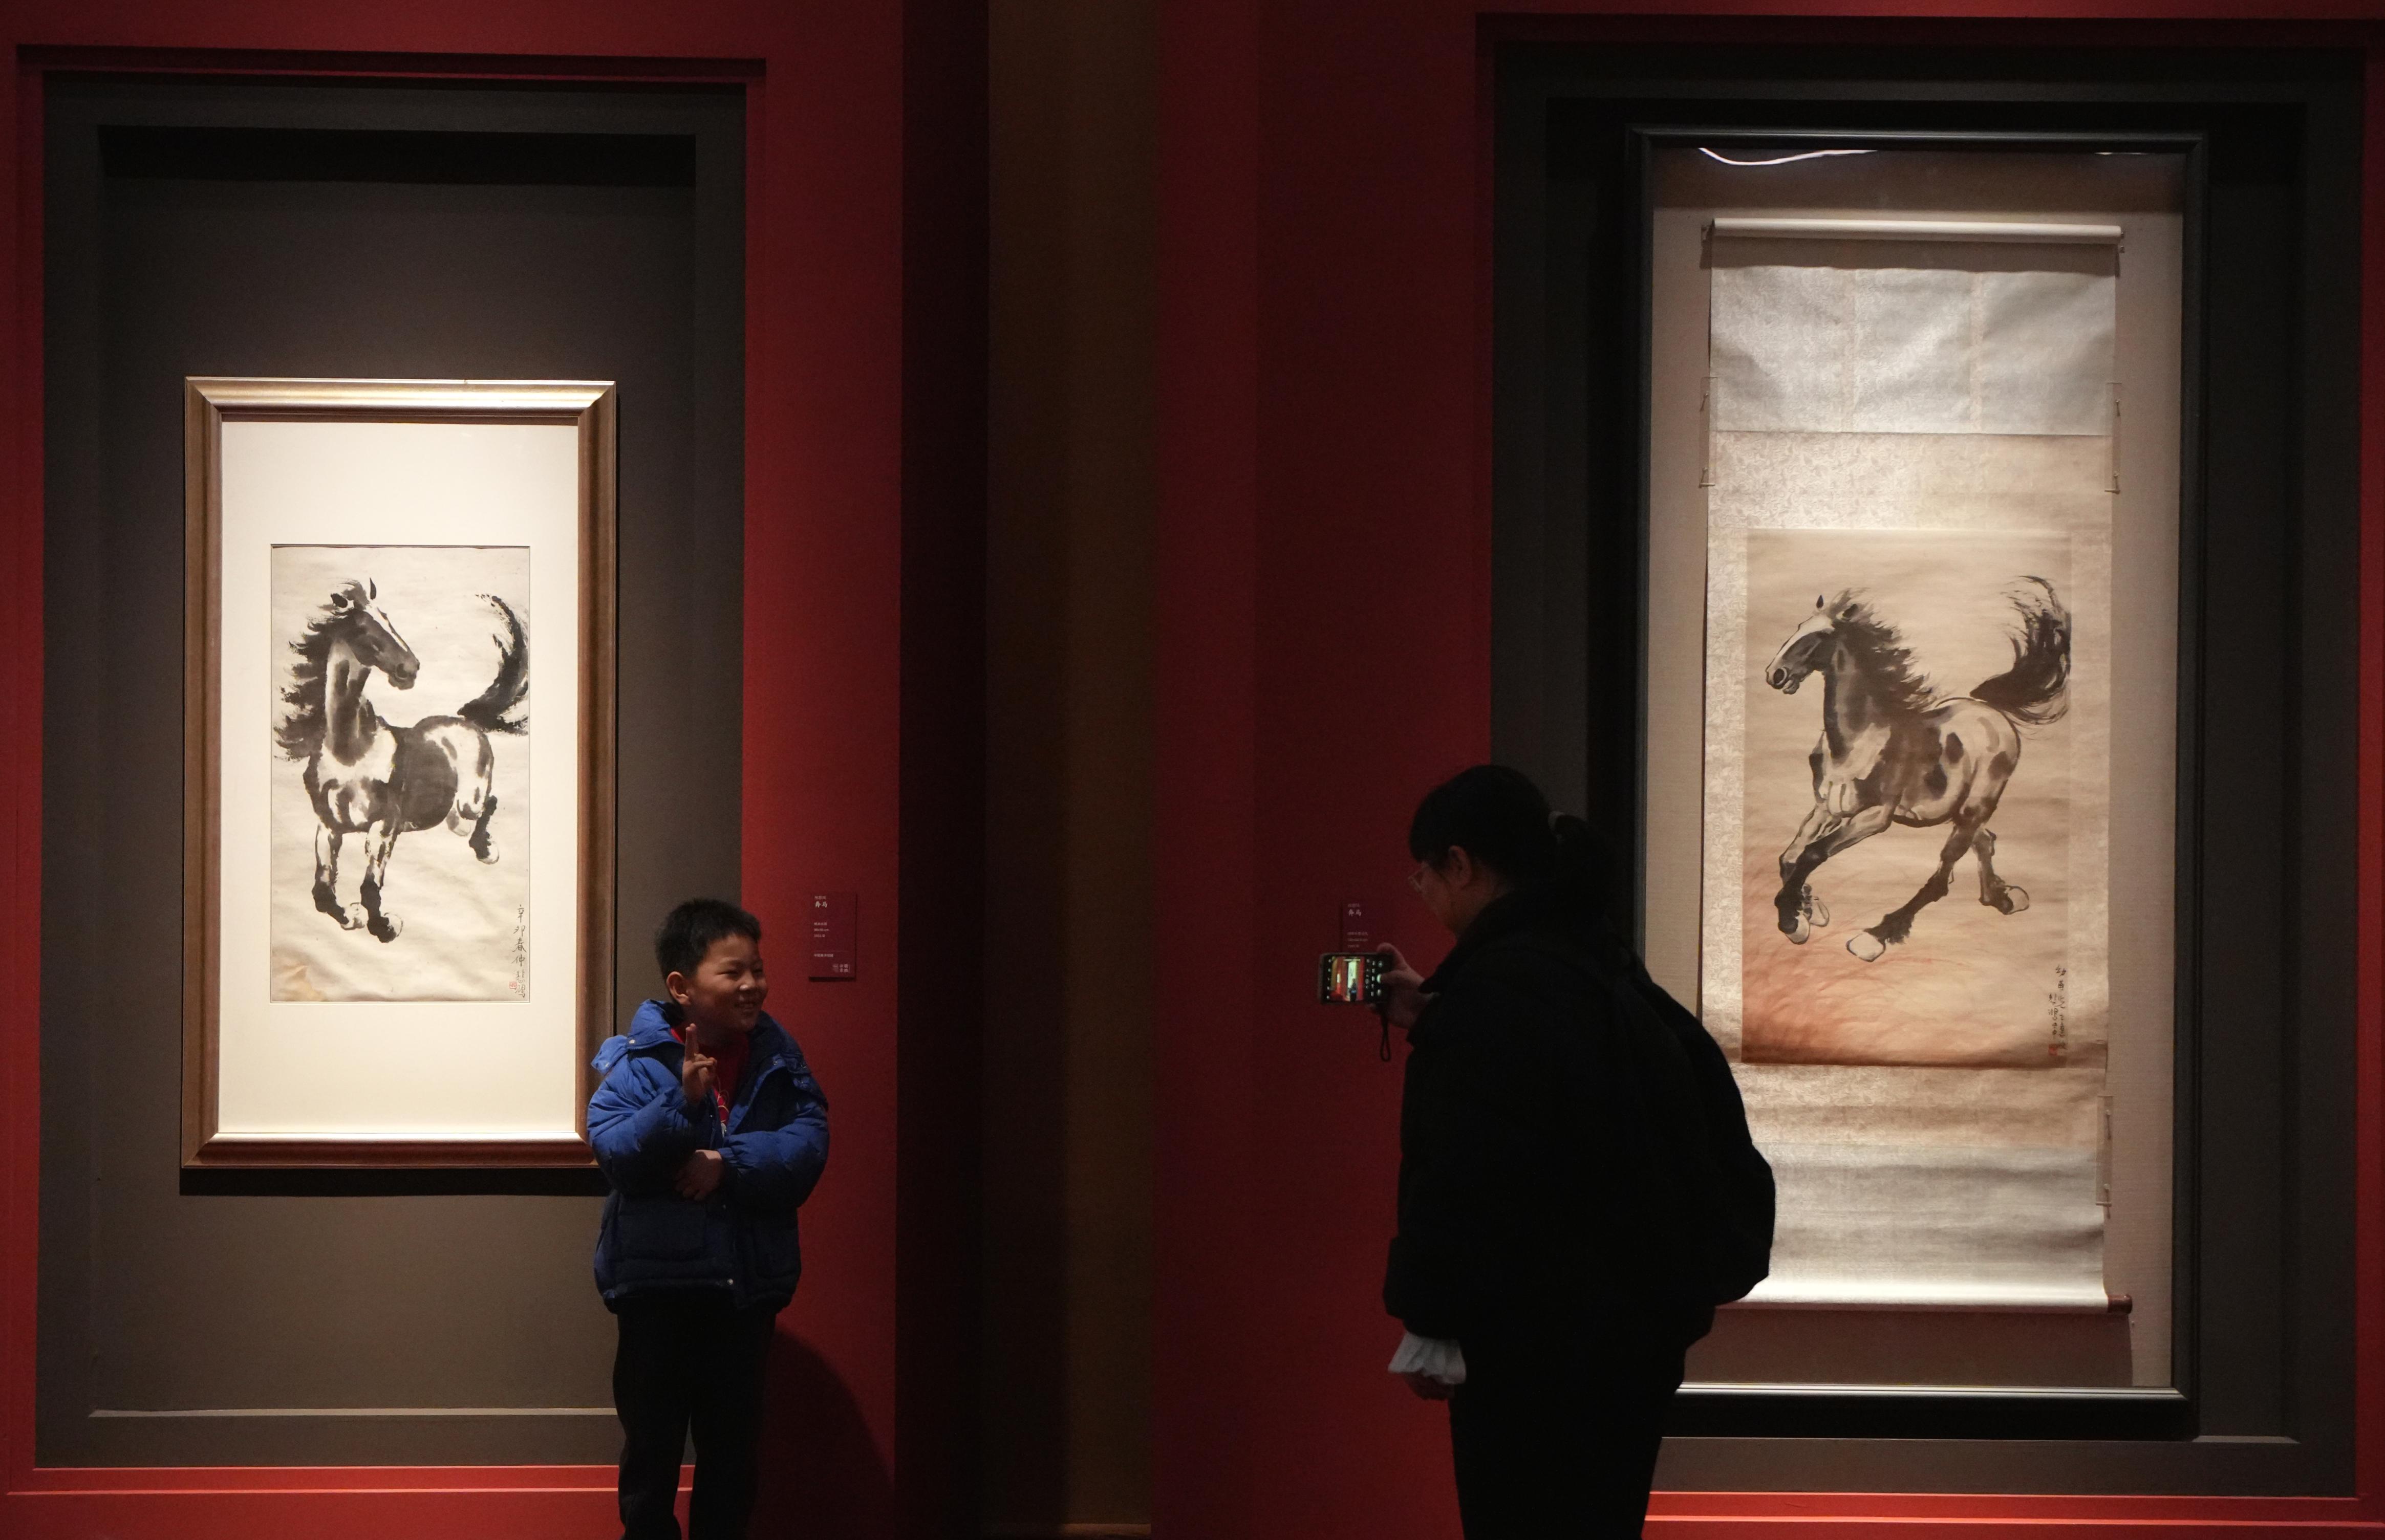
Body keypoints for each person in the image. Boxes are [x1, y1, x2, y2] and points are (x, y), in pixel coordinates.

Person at [1377, 765, 1753, 1539]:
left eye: (1424, 873)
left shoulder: (1496, 991)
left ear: (1460, 864)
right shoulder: (1597, 961)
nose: (1422, 891)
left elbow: (1465, 1174)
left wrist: (1427, 1316)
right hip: (1629, 1340)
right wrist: (1438, 1017)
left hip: (1532, 1349)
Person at [589, 898, 830, 1540]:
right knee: (652, 1457)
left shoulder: (777, 1054)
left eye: (758, 969)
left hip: (744, 1291)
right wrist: (682, 1101)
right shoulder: (637, 1061)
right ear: (682, 986)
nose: (753, 985)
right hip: (656, 1294)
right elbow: (616, 1154)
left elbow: (809, 1144)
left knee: (733, 1457)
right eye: (733, 972)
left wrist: (728, 1164)